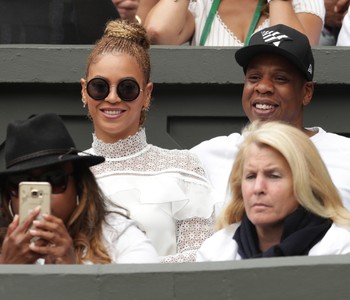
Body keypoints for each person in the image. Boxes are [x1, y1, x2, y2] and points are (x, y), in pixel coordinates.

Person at [80, 19, 216, 263]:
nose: (112, 98)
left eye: (127, 88)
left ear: (147, 94)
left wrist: (127, 270)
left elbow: (200, 258)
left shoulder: (183, 166)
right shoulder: (67, 172)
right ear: (84, 90)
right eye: (99, 87)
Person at [191, 24, 350, 213]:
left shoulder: (344, 155)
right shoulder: (205, 156)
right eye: (254, 77)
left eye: (280, 78)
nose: (263, 87)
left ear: (306, 92)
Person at [0, 113, 159, 264]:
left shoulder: (118, 236)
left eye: (54, 179)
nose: (42, 195)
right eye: (21, 182)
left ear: (78, 185)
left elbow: (147, 289)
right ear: (9, 194)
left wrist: (73, 272)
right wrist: (7, 270)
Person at [196, 121, 350, 261]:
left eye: (274, 176)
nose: (258, 188)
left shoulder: (340, 249)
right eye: (250, 176)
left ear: (306, 183)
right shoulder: (216, 252)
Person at [144, 0, 325, 46]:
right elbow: (157, 32)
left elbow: (292, 49)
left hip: (274, 126)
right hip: (209, 114)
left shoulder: (301, 2)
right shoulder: (201, 3)